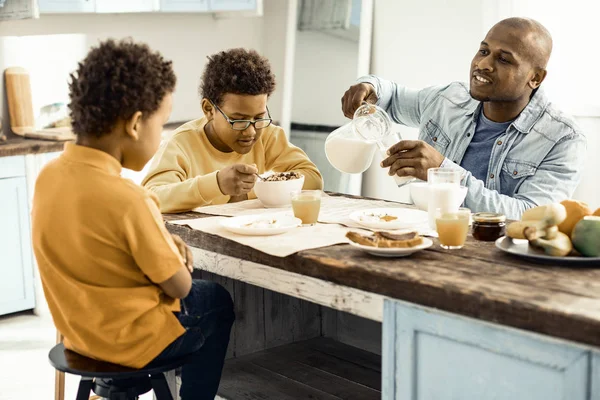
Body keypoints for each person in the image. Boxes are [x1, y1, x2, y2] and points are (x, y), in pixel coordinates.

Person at [31, 39, 234, 400]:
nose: (161, 135)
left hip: (80, 334)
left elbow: (97, 255)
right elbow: (179, 288)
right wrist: (174, 255)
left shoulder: (48, 177)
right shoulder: (130, 198)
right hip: (131, 341)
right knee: (214, 300)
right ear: (137, 123)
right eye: (162, 123)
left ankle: (120, 387)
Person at [341, 17, 587, 219]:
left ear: (536, 78)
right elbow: (391, 96)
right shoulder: (447, 99)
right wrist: (368, 86)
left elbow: (531, 217)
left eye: (503, 59)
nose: (483, 64)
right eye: (483, 51)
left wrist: (442, 172)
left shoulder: (563, 139)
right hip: (422, 242)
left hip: (498, 264)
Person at [142, 48, 324, 213]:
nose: (251, 131)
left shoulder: (268, 134)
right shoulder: (181, 144)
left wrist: (252, 189)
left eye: (259, 117)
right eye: (238, 120)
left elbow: (313, 179)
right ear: (208, 110)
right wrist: (217, 184)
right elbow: (152, 198)